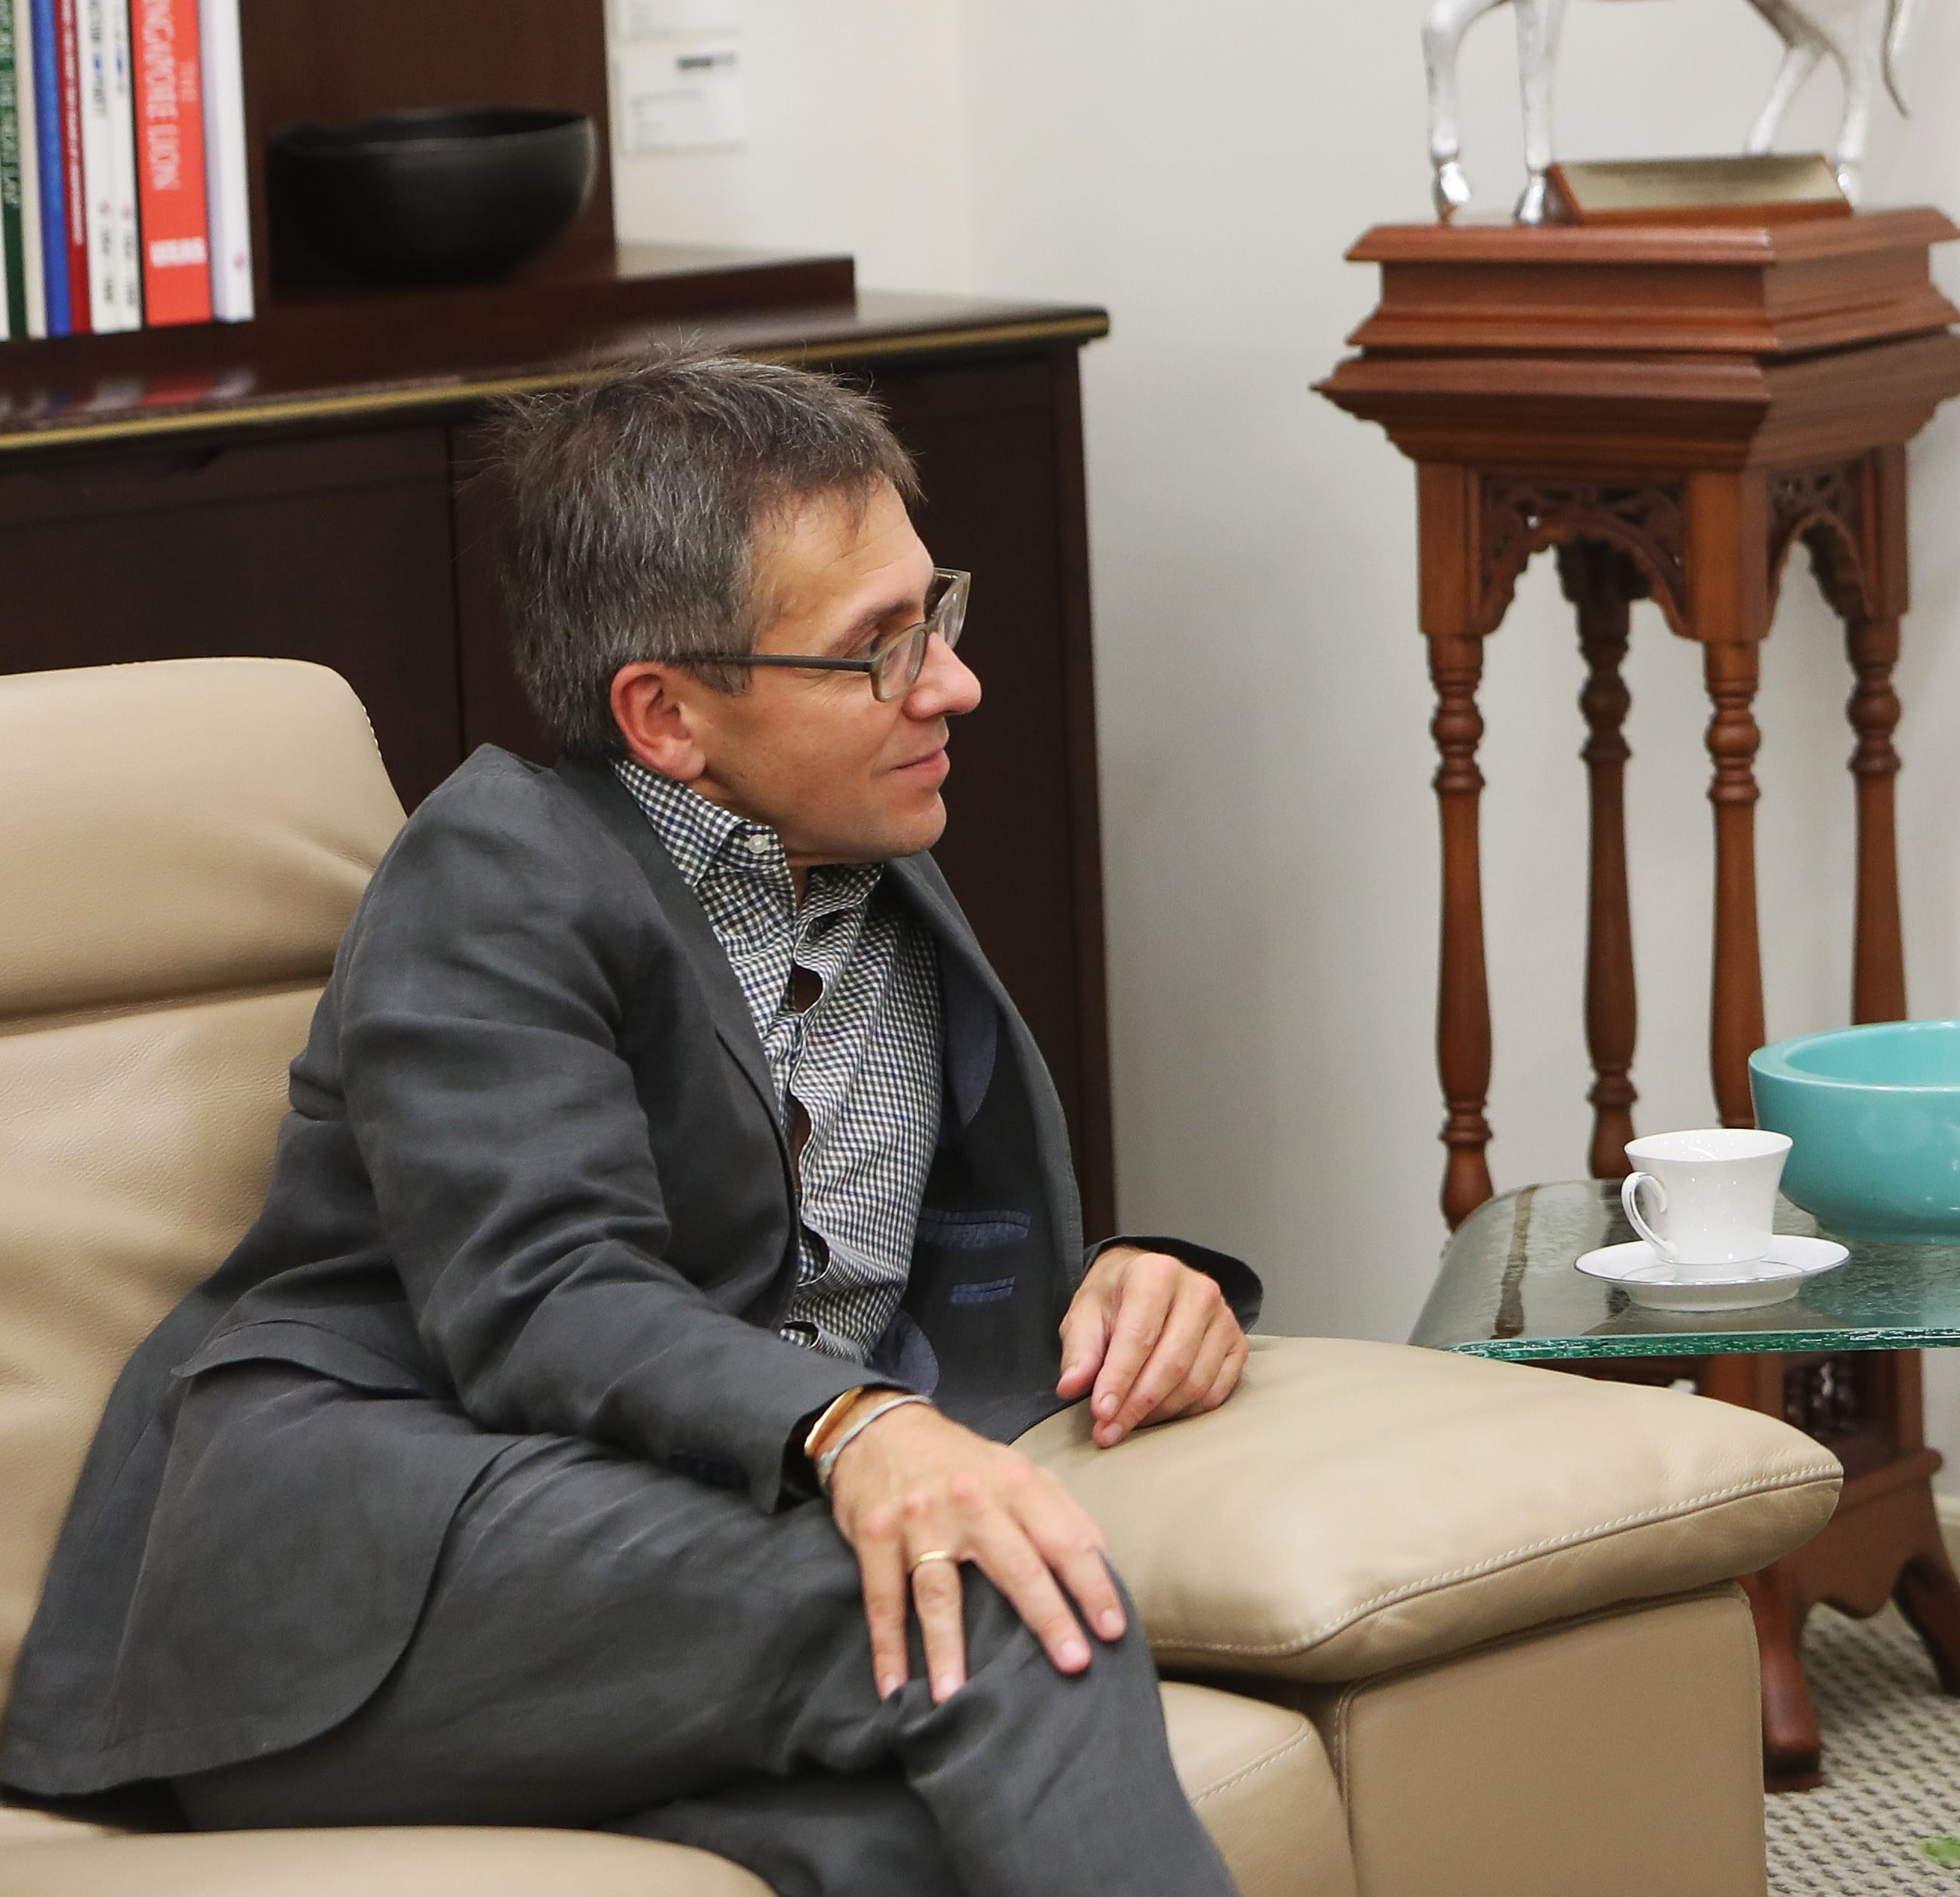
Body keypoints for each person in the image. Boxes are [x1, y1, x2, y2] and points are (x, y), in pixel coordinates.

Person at [1, 354, 1264, 1897]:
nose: (950, 681)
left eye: (934, 613)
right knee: (993, 1591)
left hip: (637, 1561)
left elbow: (876, 1250)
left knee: (895, 1847)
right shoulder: (497, 875)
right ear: (665, 714)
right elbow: (543, 1293)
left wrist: (1137, 1274)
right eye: (874, 649)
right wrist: (858, 1427)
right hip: (360, 1582)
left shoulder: (868, 860)